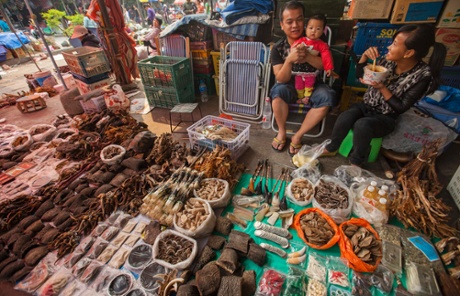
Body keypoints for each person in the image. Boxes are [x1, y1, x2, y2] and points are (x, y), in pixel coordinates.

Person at [322, 24, 446, 167]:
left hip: (387, 117)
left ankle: (356, 161)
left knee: (362, 125)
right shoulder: (388, 61)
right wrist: (364, 57)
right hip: (367, 106)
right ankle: (331, 147)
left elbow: (401, 107)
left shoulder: (422, 76)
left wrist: (382, 87)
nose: (388, 47)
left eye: (394, 44)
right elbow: (361, 76)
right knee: (346, 116)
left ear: (408, 53)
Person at [270, 1, 336, 155]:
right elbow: (281, 78)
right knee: (277, 92)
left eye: (299, 20)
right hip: (289, 85)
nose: (295, 25)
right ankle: (281, 132)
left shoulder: (317, 41)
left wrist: (306, 56)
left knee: (328, 96)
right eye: (289, 21)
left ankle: (297, 136)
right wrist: (289, 60)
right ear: (282, 25)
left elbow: (325, 64)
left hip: (313, 85)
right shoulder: (278, 48)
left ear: (305, 22)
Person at [291, 14, 334, 104]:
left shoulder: (322, 45)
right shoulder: (301, 40)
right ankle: (300, 96)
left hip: (311, 70)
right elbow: (293, 48)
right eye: (311, 28)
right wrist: (297, 47)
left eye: (318, 29)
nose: (313, 31)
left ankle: (306, 97)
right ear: (306, 28)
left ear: (323, 31)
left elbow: (327, 56)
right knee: (298, 84)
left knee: (309, 83)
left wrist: (329, 68)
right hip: (298, 70)